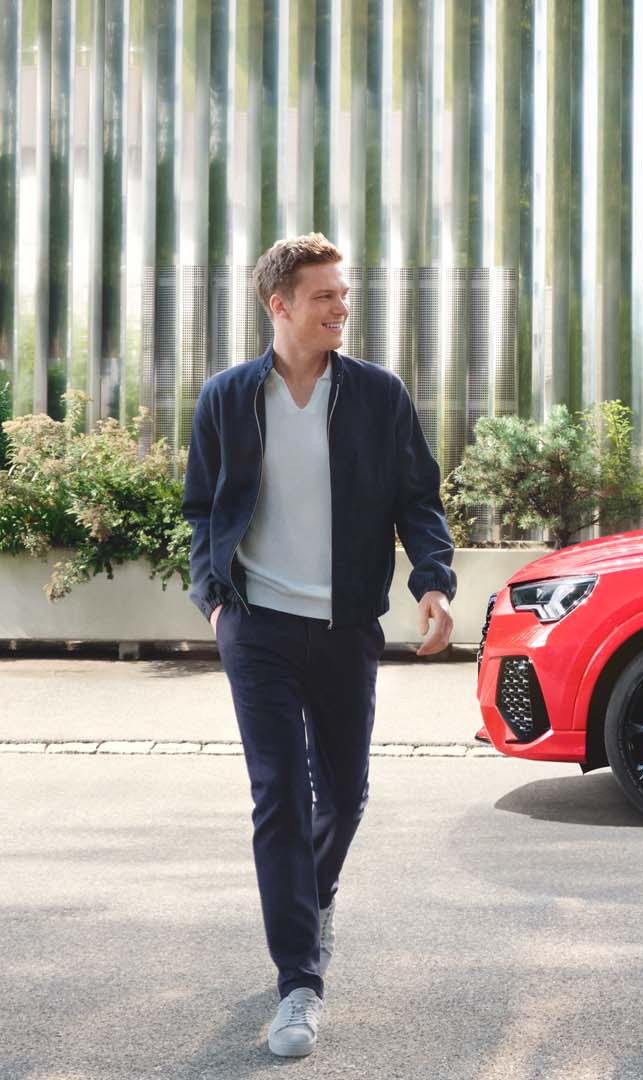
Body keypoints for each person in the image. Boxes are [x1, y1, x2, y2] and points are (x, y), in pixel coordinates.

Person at [181, 233, 457, 1058]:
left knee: (344, 795)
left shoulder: (376, 396)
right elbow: (203, 505)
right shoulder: (229, 397)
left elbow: (419, 499)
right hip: (256, 624)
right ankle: (298, 981)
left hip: (344, 627)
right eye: (326, 296)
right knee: (277, 795)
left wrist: (433, 584)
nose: (343, 307)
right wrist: (211, 594)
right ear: (281, 305)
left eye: (345, 294)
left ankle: (314, 894)